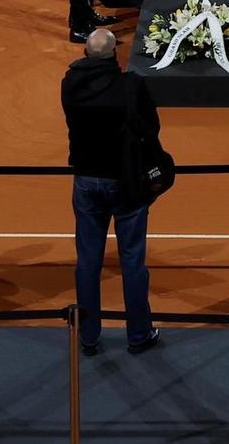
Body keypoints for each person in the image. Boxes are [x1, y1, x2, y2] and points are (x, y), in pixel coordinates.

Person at [61, 27, 160, 355]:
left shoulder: (70, 85)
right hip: (126, 183)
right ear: (114, 55)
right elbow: (151, 128)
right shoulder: (131, 86)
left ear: (85, 54)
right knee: (132, 259)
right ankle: (139, 334)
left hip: (87, 181)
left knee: (88, 260)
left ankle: (88, 336)